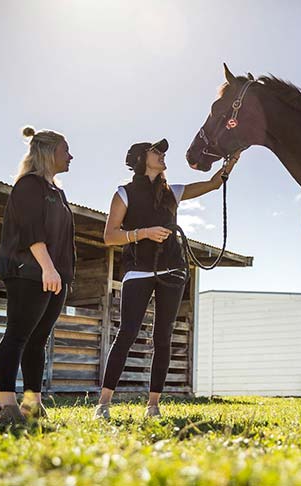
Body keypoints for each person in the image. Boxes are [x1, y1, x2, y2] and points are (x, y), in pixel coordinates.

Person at [93, 139, 238, 420]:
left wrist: (230, 163)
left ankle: (153, 405)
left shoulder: (174, 191)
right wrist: (143, 233)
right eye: (156, 151)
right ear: (139, 159)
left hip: (173, 270)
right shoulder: (124, 193)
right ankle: (104, 403)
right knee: (127, 333)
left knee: (163, 337)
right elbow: (110, 236)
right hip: (138, 271)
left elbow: (213, 183)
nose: (162, 155)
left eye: (162, 152)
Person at [0, 126, 76, 425]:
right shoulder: (28, 186)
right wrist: (47, 267)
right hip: (30, 272)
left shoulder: (57, 191)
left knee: (38, 341)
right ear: (49, 152)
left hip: (55, 276)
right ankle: (5, 405)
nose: (71, 156)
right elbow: (31, 231)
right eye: (66, 150)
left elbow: (63, 239)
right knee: (17, 335)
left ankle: (32, 405)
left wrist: (63, 275)